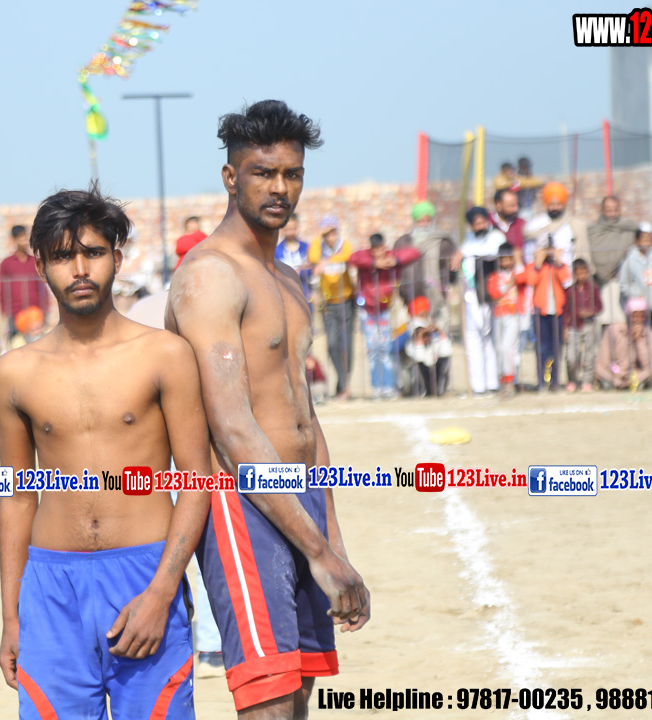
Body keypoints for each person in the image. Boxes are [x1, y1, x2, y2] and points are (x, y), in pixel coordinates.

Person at [166, 99, 369, 716]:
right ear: (231, 177)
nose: (280, 188)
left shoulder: (287, 279)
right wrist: (318, 551)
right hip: (241, 501)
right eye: (263, 173)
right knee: (270, 696)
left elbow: (305, 415)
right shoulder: (210, 275)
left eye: (292, 173)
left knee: (301, 687)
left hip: (302, 495)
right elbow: (231, 429)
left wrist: (331, 535)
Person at [0, 187, 211, 720]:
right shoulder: (14, 373)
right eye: (63, 256)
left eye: (92, 252)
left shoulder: (165, 354)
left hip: (143, 577)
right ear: (41, 267)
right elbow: (17, 498)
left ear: (117, 257)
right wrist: (12, 617)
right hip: (51, 590)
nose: (80, 269)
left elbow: (197, 481)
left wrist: (162, 592)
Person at [348, 233, 419, 399]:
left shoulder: (391, 256)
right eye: (374, 251)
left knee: (386, 349)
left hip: (386, 310)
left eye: (380, 250)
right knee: (373, 350)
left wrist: (396, 261)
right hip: (367, 311)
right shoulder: (365, 256)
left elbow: (414, 252)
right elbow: (352, 258)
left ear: (384, 247)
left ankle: (388, 387)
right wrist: (373, 263)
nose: (378, 253)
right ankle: (377, 388)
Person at [457, 207, 504, 396]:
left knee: (489, 338)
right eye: (476, 224)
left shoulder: (496, 237)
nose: (480, 226)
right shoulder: (469, 240)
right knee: (474, 339)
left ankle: (493, 382)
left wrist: (468, 255)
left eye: (482, 222)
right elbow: (461, 258)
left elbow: (493, 255)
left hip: (489, 297)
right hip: (471, 296)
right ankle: (478, 386)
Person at [309, 215, 356, 400]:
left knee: (347, 346)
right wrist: (318, 236)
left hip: (346, 302)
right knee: (332, 344)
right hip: (329, 304)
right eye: (326, 234)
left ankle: (343, 385)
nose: (330, 238)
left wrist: (326, 263)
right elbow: (313, 257)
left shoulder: (344, 245)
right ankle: (343, 384)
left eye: (333, 233)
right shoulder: (319, 248)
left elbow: (347, 256)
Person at [395, 200, 457, 330]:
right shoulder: (403, 243)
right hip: (411, 299)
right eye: (420, 221)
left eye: (427, 221)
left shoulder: (443, 242)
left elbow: (451, 270)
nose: (424, 225)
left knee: (439, 334)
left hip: (436, 299)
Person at [525, 243, 571, 392]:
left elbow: (566, 279)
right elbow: (531, 280)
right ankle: (541, 382)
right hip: (540, 313)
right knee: (542, 348)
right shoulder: (535, 266)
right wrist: (538, 262)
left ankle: (555, 382)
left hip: (557, 312)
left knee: (556, 348)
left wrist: (558, 261)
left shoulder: (558, 266)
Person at [587, 196, 636, 330]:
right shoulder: (594, 231)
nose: (612, 214)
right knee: (603, 322)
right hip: (598, 284)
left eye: (615, 210)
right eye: (609, 210)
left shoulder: (628, 230)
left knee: (620, 323)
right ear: (602, 211)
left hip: (620, 283)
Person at [486, 243, 527, 397]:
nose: (506, 262)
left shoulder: (516, 273)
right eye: (503, 259)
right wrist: (509, 284)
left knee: (507, 348)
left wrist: (518, 260)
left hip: (513, 315)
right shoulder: (495, 276)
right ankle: (502, 381)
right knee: (499, 349)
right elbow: (494, 293)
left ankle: (510, 382)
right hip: (499, 315)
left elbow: (523, 278)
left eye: (509, 259)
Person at [596, 298, 652, 389]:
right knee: (597, 368)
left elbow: (650, 365)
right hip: (615, 375)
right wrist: (615, 379)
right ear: (627, 315)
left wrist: (639, 340)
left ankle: (633, 383)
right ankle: (618, 385)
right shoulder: (613, 330)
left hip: (638, 375)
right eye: (634, 316)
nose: (637, 320)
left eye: (641, 316)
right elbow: (603, 362)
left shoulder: (650, 333)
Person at [524, 181, 592, 272]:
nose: (555, 208)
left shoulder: (572, 224)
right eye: (552, 204)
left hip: (567, 273)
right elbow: (529, 252)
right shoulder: (536, 224)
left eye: (558, 204)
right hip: (542, 274)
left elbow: (582, 253)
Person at [0, 224, 50, 345]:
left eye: (25, 237)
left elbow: (42, 285)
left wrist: (45, 307)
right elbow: (3, 288)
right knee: (17, 345)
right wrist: (5, 310)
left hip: (36, 311)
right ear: (14, 240)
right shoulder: (6, 263)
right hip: (16, 313)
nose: (24, 240)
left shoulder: (35, 261)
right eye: (20, 237)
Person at [564, 258, 602, 393]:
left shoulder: (593, 289)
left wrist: (589, 312)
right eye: (579, 273)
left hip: (589, 325)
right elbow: (566, 311)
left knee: (589, 355)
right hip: (573, 326)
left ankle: (587, 381)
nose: (582, 276)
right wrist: (565, 328)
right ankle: (572, 380)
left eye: (584, 273)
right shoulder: (569, 291)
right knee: (571, 357)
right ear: (574, 274)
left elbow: (599, 307)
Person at [403, 295, 452, 398]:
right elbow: (419, 356)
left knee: (442, 361)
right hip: (420, 378)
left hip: (434, 373)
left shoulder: (434, 339)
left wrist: (439, 331)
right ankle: (423, 391)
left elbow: (447, 350)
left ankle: (439, 389)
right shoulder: (411, 340)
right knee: (419, 364)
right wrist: (421, 335)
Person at [274, 213, 312, 308]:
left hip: (304, 293)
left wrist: (302, 271)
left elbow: (312, 269)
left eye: (293, 229)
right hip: (286, 295)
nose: (291, 233)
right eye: (287, 230)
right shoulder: (277, 251)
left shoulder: (306, 248)